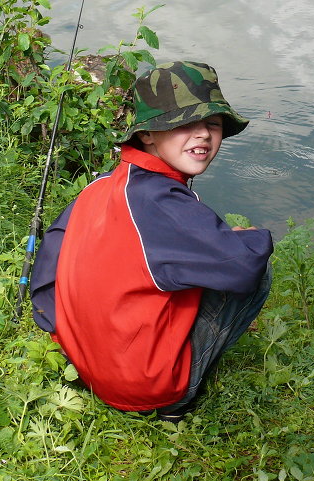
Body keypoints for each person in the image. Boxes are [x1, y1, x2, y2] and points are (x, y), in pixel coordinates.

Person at [30, 60, 273, 420]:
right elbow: (243, 268)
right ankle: (174, 403)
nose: (203, 135)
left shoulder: (101, 186)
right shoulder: (166, 204)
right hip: (139, 387)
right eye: (184, 124)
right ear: (147, 134)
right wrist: (252, 237)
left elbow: (48, 268)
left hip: (80, 365)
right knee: (258, 269)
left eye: (213, 124)